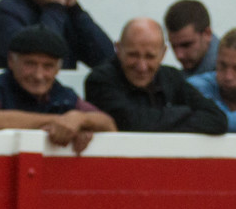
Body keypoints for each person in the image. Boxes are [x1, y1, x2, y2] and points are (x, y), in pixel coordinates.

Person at [0, 26, 115, 153]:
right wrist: (60, 121)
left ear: (58, 69)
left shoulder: (64, 95)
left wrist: (79, 119)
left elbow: (108, 124)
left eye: (48, 66)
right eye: (30, 64)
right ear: (11, 61)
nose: (38, 75)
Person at [85, 18, 227, 134]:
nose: (142, 66)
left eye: (150, 56)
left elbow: (217, 119)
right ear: (118, 49)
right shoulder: (100, 80)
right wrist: (182, 112)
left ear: (163, 53)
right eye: (133, 55)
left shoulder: (172, 77)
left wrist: (159, 122)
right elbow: (131, 124)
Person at [0, 0, 113, 69]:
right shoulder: (4, 13)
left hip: (60, 98)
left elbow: (108, 61)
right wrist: (54, 7)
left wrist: (75, 9)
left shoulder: (68, 15)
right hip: (14, 99)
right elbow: (41, 54)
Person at [164, 0, 218, 76]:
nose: (179, 55)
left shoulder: (227, 78)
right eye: (173, 46)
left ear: (207, 34)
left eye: (186, 45)